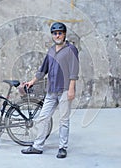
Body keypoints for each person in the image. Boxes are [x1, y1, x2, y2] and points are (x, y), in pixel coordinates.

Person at [21, 22, 79, 158]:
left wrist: (71, 89)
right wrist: (32, 81)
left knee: (63, 120)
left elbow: (74, 70)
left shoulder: (71, 49)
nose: (57, 35)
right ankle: (37, 146)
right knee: (43, 118)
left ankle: (62, 148)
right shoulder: (52, 50)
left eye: (60, 32)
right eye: (55, 33)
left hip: (64, 89)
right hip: (51, 90)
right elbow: (43, 69)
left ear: (64, 34)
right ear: (52, 35)